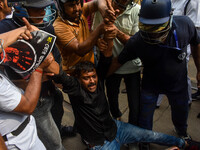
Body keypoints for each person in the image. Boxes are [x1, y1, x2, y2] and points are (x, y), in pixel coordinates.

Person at [50, 41, 200, 150]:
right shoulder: (76, 90)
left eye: (93, 76)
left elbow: (106, 60)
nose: (92, 81)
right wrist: (45, 54)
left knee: (152, 135)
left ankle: (184, 144)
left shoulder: (99, 81)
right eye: (86, 78)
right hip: (101, 144)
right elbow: (60, 75)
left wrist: (107, 38)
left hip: (117, 128)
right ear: (78, 80)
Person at [107, 0, 200, 149]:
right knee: (145, 120)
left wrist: (199, 69)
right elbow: (118, 61)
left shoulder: (185, 25)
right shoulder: (137, 41)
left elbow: (196, 44)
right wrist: (100, 78)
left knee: (181, 114)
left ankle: (182, 132)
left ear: (170, 18)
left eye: (158, 28)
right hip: (151, 87)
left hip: (178, 86)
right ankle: (145, 142)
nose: (153, 33)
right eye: (148, 27)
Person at [0, 0, 68, 149]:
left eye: (45, 8)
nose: (43, 13)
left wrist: (43, 53)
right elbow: (12, 81)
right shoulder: (4, 30)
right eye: (37, 9)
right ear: (21, 9)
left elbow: (56, 69)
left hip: (51, 92)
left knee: (56, 129)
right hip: (31, 101)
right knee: (55, 144)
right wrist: (40, 72)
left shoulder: (47, 28)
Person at [93, 0, 142, 127]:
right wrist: (97, 41)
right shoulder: (102, 10)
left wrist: (118, 33)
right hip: (111, 69)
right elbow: (94, 32)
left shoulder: (137, 10)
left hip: (132, 67)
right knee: (112, 99)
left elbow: (136, 44)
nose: (118, 9)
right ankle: (117, 120)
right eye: (117, 3)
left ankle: (133, 132)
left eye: (123, 6)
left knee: (135, 104)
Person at [53, 0, 116, 74]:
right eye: (71, 5)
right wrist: (99, 30)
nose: (76, 8)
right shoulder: (59, 26)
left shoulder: (80, 11)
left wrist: (104, 11)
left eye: (78, 3)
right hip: (74, 72)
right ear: (61, 7)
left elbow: (97, 2)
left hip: (90, 67)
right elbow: (80, 50)